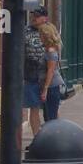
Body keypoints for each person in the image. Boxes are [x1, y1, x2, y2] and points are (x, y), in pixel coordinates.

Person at [22, 8, 48, 140]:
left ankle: (52, 137)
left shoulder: (50, 31)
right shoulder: (25, 32)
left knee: (51, 109)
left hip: (48, 76)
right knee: (34, 107)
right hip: (31, 75)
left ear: (45, 18)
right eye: (32, 16)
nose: (34, 19)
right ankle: (37, 138)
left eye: (37, 16)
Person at [38, 22, 65, 122]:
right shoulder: (50, 49)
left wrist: (45, 90)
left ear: (45, 36)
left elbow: (51, 71)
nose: (39, 37)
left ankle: (53, 136)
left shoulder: (51, 51)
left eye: (40, 34)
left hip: (52, 87)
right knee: (50, 114)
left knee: (50, 116)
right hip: (51, 86)